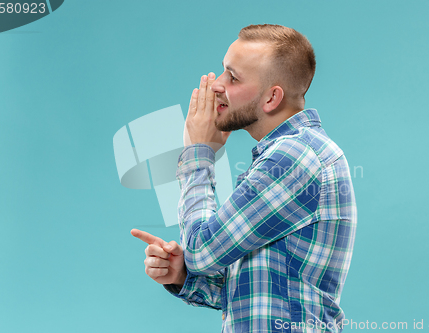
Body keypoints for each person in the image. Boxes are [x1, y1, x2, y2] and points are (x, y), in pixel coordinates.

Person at [131, 24, 357, 333]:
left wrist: (199, 151)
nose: (216, 86)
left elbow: (200, 252)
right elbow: (255, 290)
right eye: (223, 71)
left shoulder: (293, 156)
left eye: (233, 77)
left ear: (271, 98)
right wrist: (182, 274)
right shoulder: (287, 153)